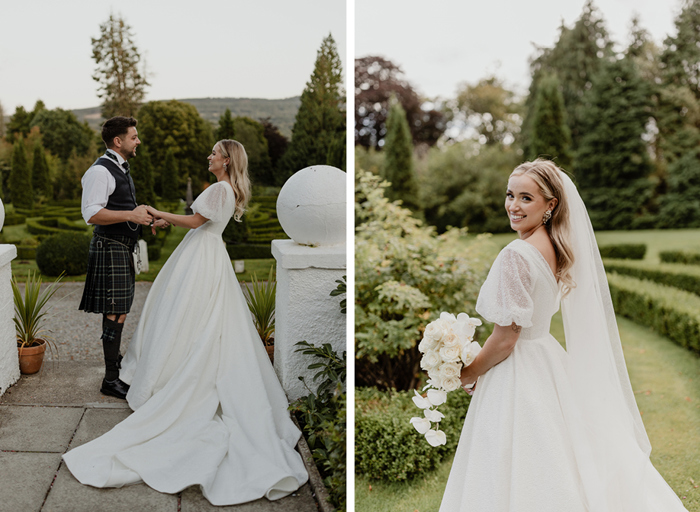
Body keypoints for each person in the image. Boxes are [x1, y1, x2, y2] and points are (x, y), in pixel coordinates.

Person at [64, 140, 308, 506]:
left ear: (225, 160)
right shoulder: (225, 189)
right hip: (205, 251)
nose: (208, 157)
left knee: (190, 316)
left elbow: (196, 221)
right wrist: (164, 219)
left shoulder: (219, 189)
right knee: (192, 317)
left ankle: (172, 376)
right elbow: (198, 222)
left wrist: (156, 211)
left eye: (213, 153)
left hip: (203, 255)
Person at [440, 159, 687, 511]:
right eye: (510, 195)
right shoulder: (556, 248)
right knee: (564, 450)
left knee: (519, 457)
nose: (513, 205)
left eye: (526, 198)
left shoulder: (516, 255)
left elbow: (508, 337)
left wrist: (468, 370)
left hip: (520, 366)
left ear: (550, 204)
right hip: (547, 358)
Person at [79, 116, 165, 399]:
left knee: (121, 309)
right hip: (110, 246)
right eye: (134, 137)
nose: (138, 140)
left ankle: (114, 370)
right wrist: (132, 215)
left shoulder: (119, 168)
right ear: (118, 141)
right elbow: (91, 213)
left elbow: (123, 208)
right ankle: (111, 379)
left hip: (121, 246)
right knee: (114, 310)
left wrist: (147, 220)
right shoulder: (100, 171)